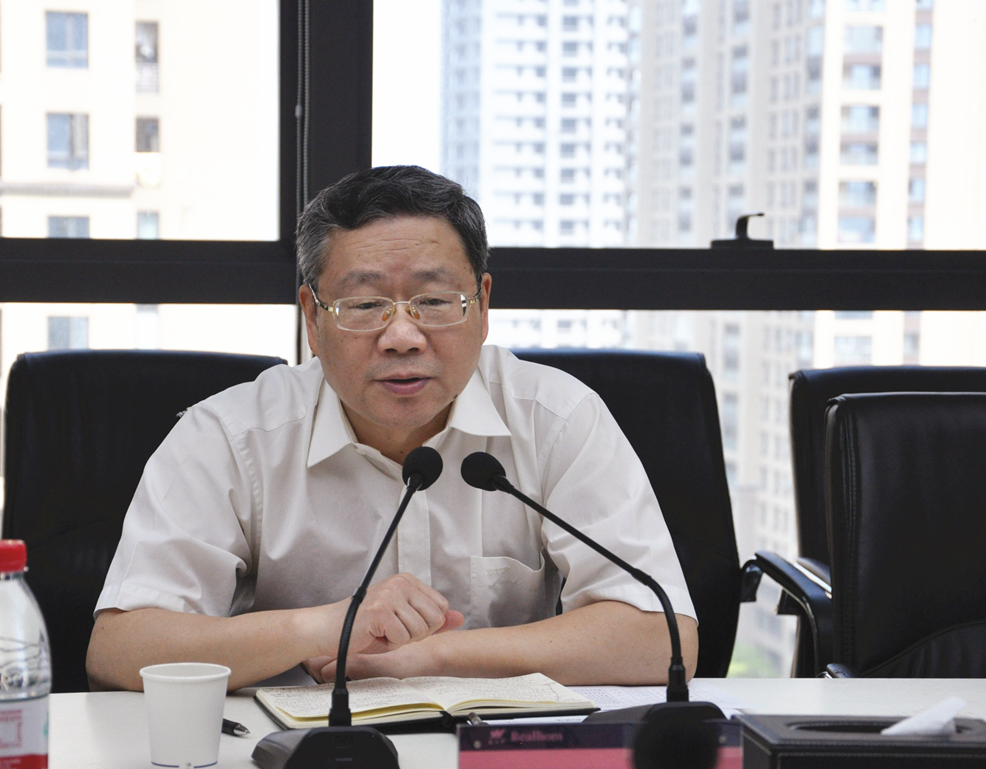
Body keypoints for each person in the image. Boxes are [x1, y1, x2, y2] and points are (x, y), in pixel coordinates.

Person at [86, 165, 698, 692]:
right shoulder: (229, 435)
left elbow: (661, 637)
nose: (402, 336)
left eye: (434, 302)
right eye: (365, 305)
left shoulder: (557, 418)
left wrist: (432, 657)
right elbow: (120, 649)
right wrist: (323, 626)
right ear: (313, 319)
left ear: (482, 306)